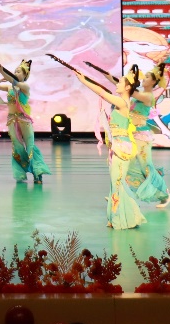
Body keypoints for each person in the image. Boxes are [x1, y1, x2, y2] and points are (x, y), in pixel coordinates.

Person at [55, 56, 145, 230]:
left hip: (122, 148)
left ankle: (122, 219)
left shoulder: (122, 102)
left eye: (120, 82)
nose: (117, 84)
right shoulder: (121, 101)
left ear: (127, 87)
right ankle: (119, 218)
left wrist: (84, 81)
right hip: (117, 146)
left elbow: (103, 93)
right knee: (115, 183)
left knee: (117, 184)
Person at [0, 52, 50, 184]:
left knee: (30, 146)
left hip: (23, 120)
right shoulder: (9, 86)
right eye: (15, 71)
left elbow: (12, 80)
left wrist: (3, 73)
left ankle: (37, 173)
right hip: (12, 120)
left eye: (19, 71)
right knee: (17, 147)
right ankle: (21, 173)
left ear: (25, 75)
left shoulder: (24, 87)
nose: (16, 73)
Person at [128, 65, 170, 207]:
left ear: (154, 82)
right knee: (127, 166)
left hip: (141, 137)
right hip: (131, 135)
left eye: (147, 77)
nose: (144, 79)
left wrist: (124, 81)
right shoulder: (141, 94)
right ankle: (121, 194)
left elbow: (129, 91)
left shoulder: (148, 96)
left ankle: (165, 194)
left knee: (146, 168)